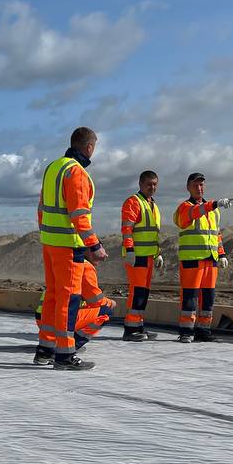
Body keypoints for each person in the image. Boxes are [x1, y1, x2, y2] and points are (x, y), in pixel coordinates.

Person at [34, 127, 106, 370]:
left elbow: (41, 207)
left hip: (50, 243)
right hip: (68, 247)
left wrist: (46, 234)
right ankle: (65, 355)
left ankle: (44, 350)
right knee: (69, 299)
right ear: (89, 147)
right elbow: (79, 215)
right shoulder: (76, 173)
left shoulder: (53, 168)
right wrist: (94, 245)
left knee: (53, 296)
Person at [174, 173, 233, 343]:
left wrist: (221, 253)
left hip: (210, 259)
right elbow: (196, 212)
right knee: (190, 296)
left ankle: (203, 330)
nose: (199, 188)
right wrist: (215, 203)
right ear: (188, 187)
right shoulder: (185, 208)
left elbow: (216, 234)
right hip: (192, 259)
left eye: (201, 185)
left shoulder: (213, 212)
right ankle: (186, 331)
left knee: (208, 296)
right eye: (195, 185)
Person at [120, 170, 164, 342]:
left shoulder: (153, 205)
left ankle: (138, 326)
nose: (152, 187)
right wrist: (130, 250)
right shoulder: (133, 202)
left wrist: (158, 254)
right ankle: (130, 329)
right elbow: (127, 229)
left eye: (155, 184)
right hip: (136, 256)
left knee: (143, 292)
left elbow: (153, 234)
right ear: (140, 184)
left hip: (148, 257)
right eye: (149, 184)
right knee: (137, 291)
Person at [34, 260, 115, 349]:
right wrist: (110, 303)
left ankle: (56, 344)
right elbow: (95, 299)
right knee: (105, 311)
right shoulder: (85, 266)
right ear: (89, 251)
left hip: (44, 320)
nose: (105, 255)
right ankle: (69, 347)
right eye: (99, 246)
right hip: (59, 320)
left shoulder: (65, 263)